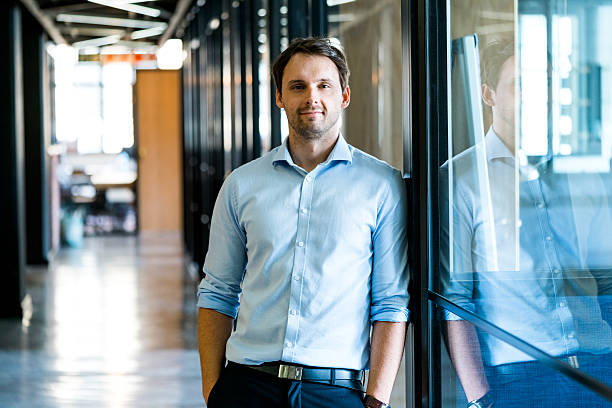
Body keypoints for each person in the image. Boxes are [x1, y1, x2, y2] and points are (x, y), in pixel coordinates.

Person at [197, 37, 410, 408]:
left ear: (344, 96)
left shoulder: (382, 186)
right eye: (297, 86)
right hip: (247, 386)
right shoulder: (241, 185)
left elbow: (390, 302)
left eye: (323, 85)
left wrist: (378, 399)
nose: (311, 97)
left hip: (336, 392)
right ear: (279, 96)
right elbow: (218, 291)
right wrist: (214, 391)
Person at [441, 39, 612, 407]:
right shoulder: (461, 180)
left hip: (600, 367)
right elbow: (455, 303)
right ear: (488, 95)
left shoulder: (584, 171)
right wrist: (480, 400)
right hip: (519, 377)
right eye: (520, 85)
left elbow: (607, 276)